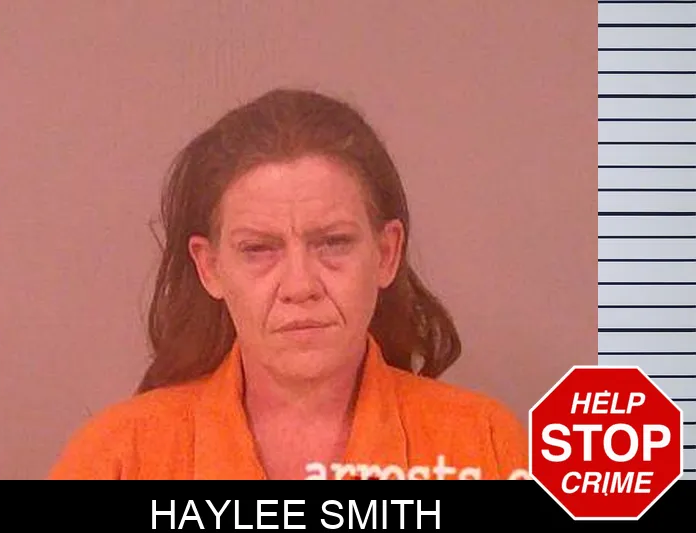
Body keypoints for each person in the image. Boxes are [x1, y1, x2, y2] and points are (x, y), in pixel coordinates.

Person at [47, 88, 529, 480]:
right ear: (210, 268)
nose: (300, 286)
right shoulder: (118, 457)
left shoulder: (484, 445)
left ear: (386, 254)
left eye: (333, 242)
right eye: (259, 249)